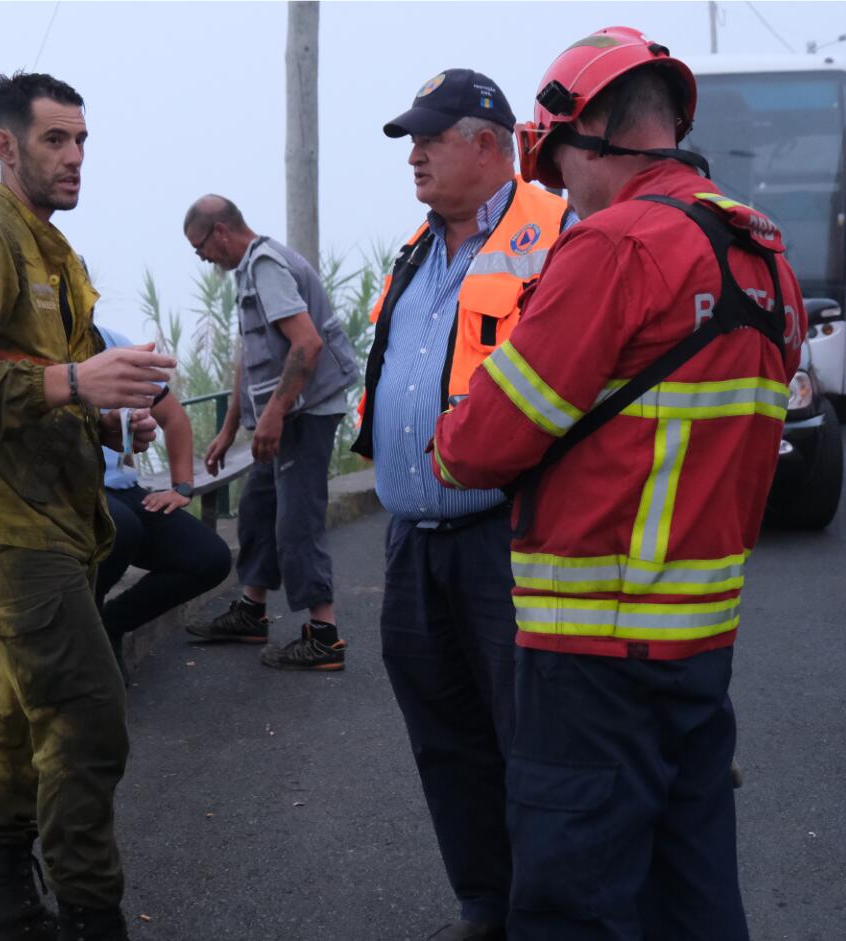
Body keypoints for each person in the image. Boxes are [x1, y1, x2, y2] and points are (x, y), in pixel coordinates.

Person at [430, 28, 807, 940]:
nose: (562, 196)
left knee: (575, 904)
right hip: (698, 646)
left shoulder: (617, 249)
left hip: (590, 656)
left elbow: (477, 445)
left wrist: (449, 433)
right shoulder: (763, 258)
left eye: (559, 169)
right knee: (693, 892)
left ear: (594, 128)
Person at [0, 72, 176, 941]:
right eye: (54, 141)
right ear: (6, 145)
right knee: (86, 709)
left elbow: (52, 384)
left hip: (54, 511)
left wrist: (118, 417)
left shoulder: (53, 251)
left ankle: (0, 905)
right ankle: (91, 915)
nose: (75, 158)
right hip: (3, 517)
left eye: (82, 142)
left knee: (11, 711)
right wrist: (76, 379)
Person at [351, 69, 572, 940]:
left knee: (530, 736)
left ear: (488, 144)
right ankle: (486, 901)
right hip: (412, 538)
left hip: (506, 533)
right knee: (443, 732)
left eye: (430, 137)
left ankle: (546, 909)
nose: (415, 155)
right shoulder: (417, 249)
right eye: (412, 139)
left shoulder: (556, 234)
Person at [184, 195, 359, 670]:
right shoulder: (248, 270)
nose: (201, 257)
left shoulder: (266, 266)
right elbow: (250, 355)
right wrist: (228, 429)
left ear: (221, 231)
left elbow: (307, 342)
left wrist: (275, 415)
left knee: (297, 519)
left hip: (307, 410)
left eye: (200, 246)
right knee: (259, 506)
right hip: (285, 412)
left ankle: (324, 637)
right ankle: (251, 612)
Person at [94, 325, 232, 681]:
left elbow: (173, 417)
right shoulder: (39, 344)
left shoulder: (112, 341)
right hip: (74, 491)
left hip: (122, 487)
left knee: (209, 559)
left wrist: (181, 486)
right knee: (121, 527)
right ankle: (85, 635)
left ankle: (111, 623)